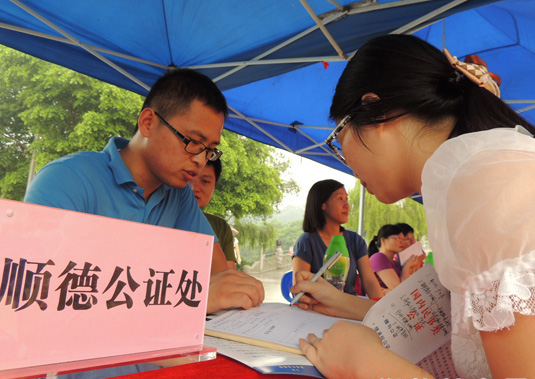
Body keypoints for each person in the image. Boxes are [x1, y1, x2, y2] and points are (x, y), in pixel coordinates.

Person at [291, 34, 535, 378]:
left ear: (376, 110)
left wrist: (365, 363)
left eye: (338, 136)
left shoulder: (485, 183)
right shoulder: (475, 172)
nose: (345, 160)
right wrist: (346, 304)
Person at [24, 68, 264, 315]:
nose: (201, 160)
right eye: (193, 142)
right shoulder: (68, 180)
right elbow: (32, 294)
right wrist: (191, 296)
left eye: (210, 149)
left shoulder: (177, 195)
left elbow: (219, 275)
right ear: (148, 123)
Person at [292, 179, 383, 299]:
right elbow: (299, 287)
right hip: (318, 311)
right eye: (340, 199)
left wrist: (381, 310)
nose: (347, 205)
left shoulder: (355, 240)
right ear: (322, 205)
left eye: (347, 199)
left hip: (349, 308)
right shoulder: (307, 242)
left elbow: (370, 282)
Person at [190, 158, 237, 269]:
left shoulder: (220, 227)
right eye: (190, 177)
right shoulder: (158, 217)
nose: (194, 187)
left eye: (205, 181)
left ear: (214, 186)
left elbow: (228, 277)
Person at [368, 224, 422, 291]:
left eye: (403, 239)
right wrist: (406, 267)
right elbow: (399, 290)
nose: (402, 242)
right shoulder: (378, 258)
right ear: (383, 240)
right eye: (398, 238)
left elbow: (412, 286)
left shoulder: (396, 263)